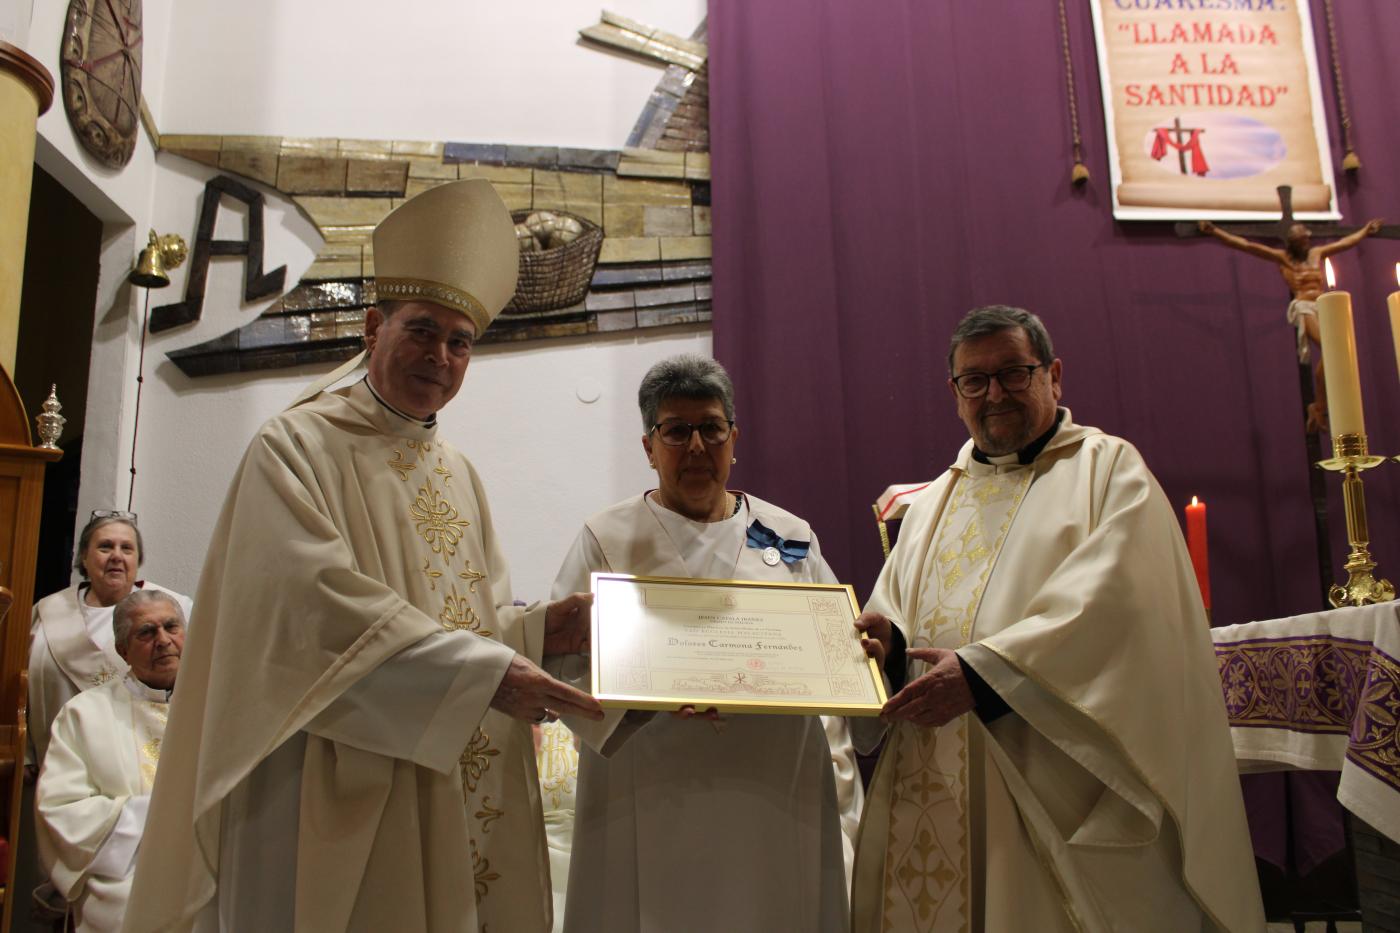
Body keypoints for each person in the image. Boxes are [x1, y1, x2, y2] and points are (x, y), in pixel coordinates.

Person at [122, 179, 603, 933]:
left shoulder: (459, 473)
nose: (439, 356)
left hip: (439, 778)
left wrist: (541, 635)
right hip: (324, 780)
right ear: (373, 326)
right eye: (421, 329)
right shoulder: (294, 447)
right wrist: (486, 673)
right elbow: (307, 612)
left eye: (460, 340)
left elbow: (467, 625)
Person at [850, 306, 1264, 932]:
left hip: (1053, 778)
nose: (994, 394)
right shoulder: (937, 498)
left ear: (1054, 375)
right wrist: (889, 643)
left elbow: (1116, 608)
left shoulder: (1107, 471)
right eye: (975, 380)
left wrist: (983, 676)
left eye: (1014, 373)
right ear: (955, 393)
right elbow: (898, 611)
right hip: (936, 773)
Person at [550, 354, 862, 933]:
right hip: (650, 783)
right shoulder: (607, 540)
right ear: (649, 445)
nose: (696, 446)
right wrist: (634, 704)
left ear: (733, 437)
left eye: (711, 428)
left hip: (775, 785)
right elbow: (564, 662)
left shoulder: (791, 536)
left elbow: (835, 653)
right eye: (676, 430)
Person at [36, 590, 185, 932]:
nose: (163, 640)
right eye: (146, 632)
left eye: (171, 626)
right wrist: (157, 814)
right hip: (127, 875)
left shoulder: (216, 708)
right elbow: (60, 809)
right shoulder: (83, 715)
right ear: (122, 650)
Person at [29, 512, 192, 764]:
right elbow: (15, 680)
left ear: (138, 559)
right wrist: (25, 753)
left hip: (144, 754)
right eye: (105, 546)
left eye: (127, 548)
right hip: (59, 755)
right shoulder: (48, 611)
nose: (116, 555)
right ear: (84, 556)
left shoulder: (173, 609)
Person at [1197, 217, 1382, 431]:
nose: (1306, 242)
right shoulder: (1284, 258)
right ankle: (1319, 406)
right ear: (1292, 241)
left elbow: (1344, 243)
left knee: (1334, 354)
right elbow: (1246, 245)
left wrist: (1365, 230)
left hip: (1323, 305)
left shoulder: (1316, 254)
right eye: (1301, 239)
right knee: (1330, 349)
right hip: (1304, 306)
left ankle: (1319, 406)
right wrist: (1215, 231)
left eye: (1306, 238)